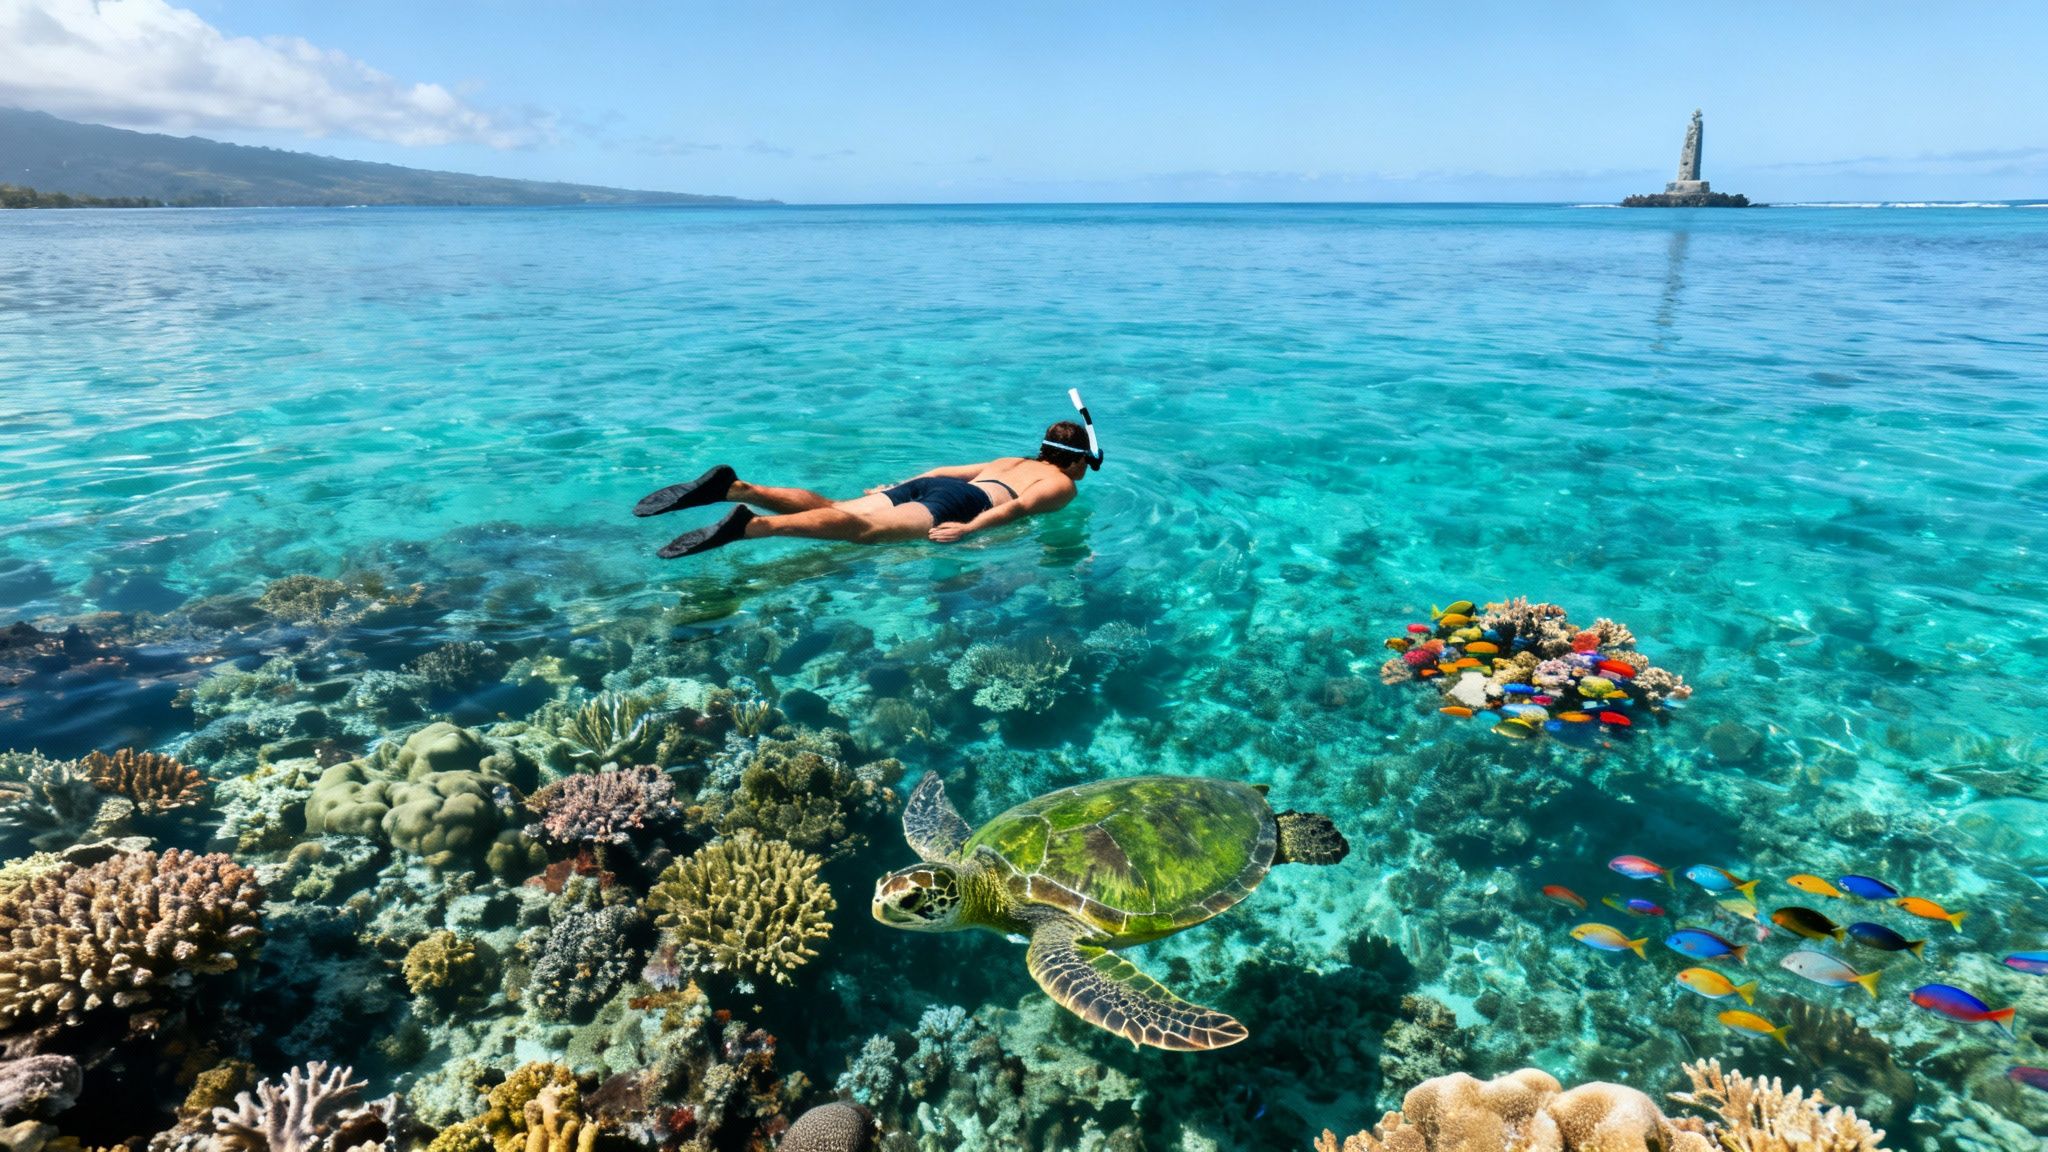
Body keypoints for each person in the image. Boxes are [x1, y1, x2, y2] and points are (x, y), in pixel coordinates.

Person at [636, 420, 1095, 558]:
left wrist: (898, 487)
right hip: (965, 502)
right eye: (1083, 464)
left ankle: (738, 488)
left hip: (929, 485)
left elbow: (941, 468)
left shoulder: (1011, 459)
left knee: (838, 507)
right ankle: (752, 527)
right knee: (862, 531)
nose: (1083, 472)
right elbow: (1017, 512)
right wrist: (968, 528)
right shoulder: (1060, 484)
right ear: (1074, 460)